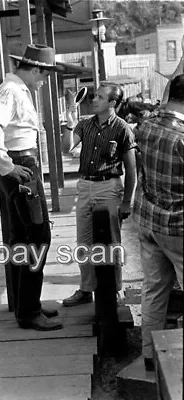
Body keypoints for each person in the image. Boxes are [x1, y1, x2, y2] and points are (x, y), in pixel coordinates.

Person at [0, 44, 63, 331]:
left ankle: (26, 304)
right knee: (38, 236)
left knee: (22, 238)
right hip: (20, 164)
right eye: (45, 74)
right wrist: (7, 166)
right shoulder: (11, 90)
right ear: (35, 69)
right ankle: (29, 310)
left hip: (22, 162)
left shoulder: (18, 88)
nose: (45, 80)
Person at [62, 83, 137, 307]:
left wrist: (127, 202)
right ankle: (86, 289)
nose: (94, 100)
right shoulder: (85, 125)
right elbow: (67, 147)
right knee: (83, 242)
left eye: (100, 97)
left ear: (112, 103)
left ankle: (114, 289)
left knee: (111, 242)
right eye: (94, 96)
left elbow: (131, 168)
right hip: (85, 186)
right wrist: (68, 122)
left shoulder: (122, 129)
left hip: (109, 187)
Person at [133, 74, 184, 371]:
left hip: (148, 219)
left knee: (153, 289)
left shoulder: (146, 126)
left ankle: (150, 356)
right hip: (178, 227)